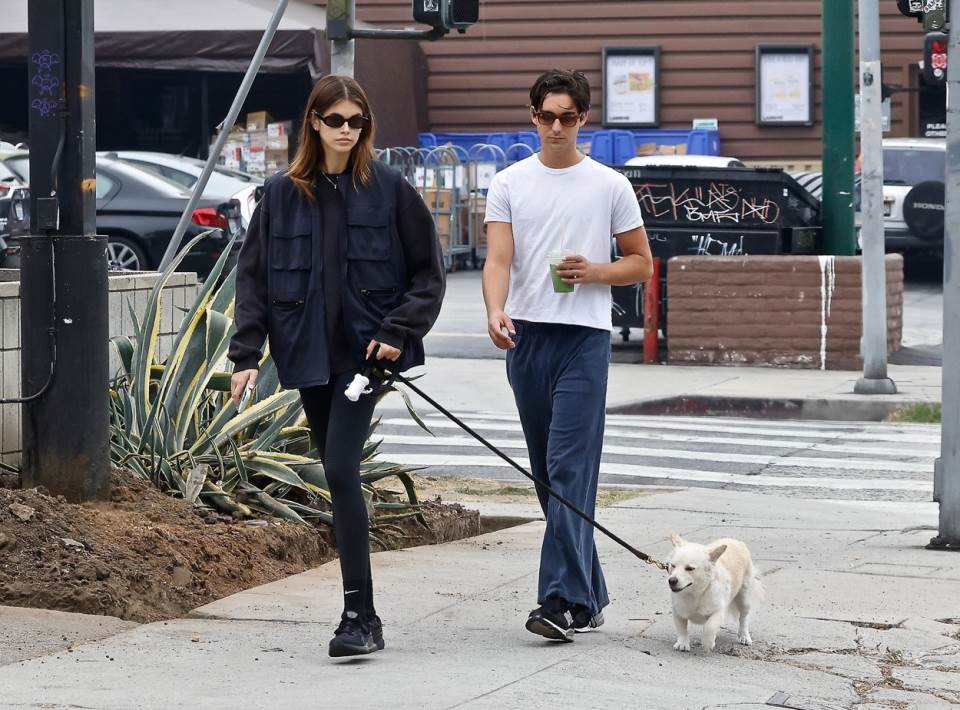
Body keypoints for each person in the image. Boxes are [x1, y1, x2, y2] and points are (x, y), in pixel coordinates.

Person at [228, 75, 445, 658]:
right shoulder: (279, 195)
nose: (348, 130)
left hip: (365, 357)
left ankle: (360, 616)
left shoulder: (390, 189)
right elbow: (253, 281)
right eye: (337, 120)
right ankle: (361, 612)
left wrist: (398, 332)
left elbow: (429, 274)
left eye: (357, 121)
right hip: (308, 357)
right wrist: (245, 357)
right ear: (315, 124)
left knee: (343, 471)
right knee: (335, 472)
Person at [482, 69, 653, 642]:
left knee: (567, 469)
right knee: (547, 475)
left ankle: (556, 600)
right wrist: (494, 310)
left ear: (584, 119)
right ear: (532, 116)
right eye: (546, 115)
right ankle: (590, 592)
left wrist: (596, 272)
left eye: (568, 117)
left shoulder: (609, 185)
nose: (556, 126)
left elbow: (641, 263)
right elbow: (498, 259)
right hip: (527, 335)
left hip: (583, 336)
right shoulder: (509, 182)